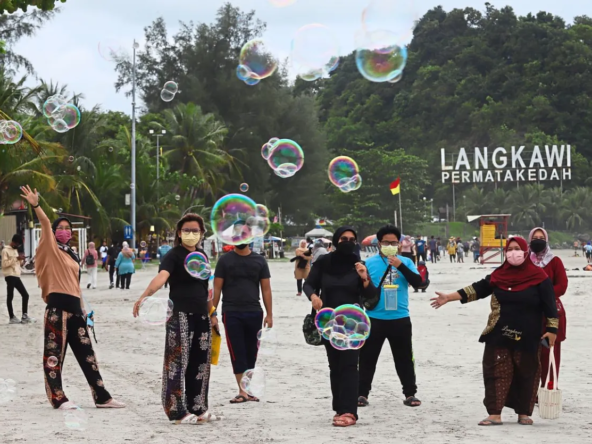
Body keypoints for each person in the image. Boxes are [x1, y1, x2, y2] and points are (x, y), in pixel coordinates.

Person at [430, 236, 558, 426]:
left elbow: (550, 306)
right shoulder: (498, 275)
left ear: (525, 252)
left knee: (527, 373)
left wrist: (552, 330)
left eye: (517, 248)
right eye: (510, 249)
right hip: (499, 333)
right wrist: (449, 297)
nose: (513, 252)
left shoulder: (540, 277)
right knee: (495, 373)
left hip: (529, 336)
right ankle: (494, 413)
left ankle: (524, 413)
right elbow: (476, 289)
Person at [19, 185, 125, 410]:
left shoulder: (73, 253)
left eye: (68, 228)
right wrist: (36, 204)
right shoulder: (50, 248)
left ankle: (102, 397)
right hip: (57, 310)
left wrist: (84, 309)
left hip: (76, 310)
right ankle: (58, 398)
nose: (65, 231)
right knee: (54, 357)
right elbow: (46, 224)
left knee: (88, 355)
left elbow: (74, 284)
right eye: (61, 228)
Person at [133, 214, 219, 424]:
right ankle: (177, 411)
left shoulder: (202, 256)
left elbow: (205, 288)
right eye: (187, 230)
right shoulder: (173, 255)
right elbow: (162, 276)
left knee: (200, 363)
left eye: (195, 231)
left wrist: (213, 314)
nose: (191, 234)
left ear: (201, 234)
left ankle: (198, 407)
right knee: (177, 363)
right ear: (179, 233)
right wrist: (145, 295)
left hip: (202, 315)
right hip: (179, 314)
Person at [304, 227, 377, 427]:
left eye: (352, 239)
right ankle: (339, 408)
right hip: (329, 322)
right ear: (336, 240)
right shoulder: (324, 262)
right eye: (343, 238)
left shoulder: (358, 265)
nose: (347, 241)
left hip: (354, 323)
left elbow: (372, 295)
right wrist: (313, 296)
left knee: (350, 366)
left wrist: (364, 277)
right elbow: (308, 284)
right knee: (335, 366)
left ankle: (349, 411)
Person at [357, 225, 423, 409]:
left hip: (400, 318)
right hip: (374, 318)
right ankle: (361, 393)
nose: (390, 245)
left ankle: (410, 393)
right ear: (379, 243)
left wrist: (400, 265)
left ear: (399, 244)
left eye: (394, 242)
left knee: (404, 358)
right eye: (386, 242)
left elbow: (419, 282)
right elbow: (362, 289)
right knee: (368, 357)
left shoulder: (406, 262)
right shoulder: (369, 263)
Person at [212, 239, 273, 404]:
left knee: (252, 351)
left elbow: (266, 288)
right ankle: (242, 391)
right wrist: (212, 312)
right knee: (237, 350)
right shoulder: (224, 260)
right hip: (231, 312)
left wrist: (269, 314)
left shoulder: (259, 260)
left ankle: (247, 389)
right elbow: (217, 287)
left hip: (254, 311)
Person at [528, 227, 568, 390]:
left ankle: (549, 387)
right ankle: (529, 392)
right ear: (529, 240)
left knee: (549, 352)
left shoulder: (555, 261)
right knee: (529, 354)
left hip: (551, 314)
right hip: (529, 315)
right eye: (535, 237)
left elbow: (562, 285)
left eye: (541, 237)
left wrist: (544, 297)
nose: (538, 240)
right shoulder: (525, 261)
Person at [2, 234, 33, 324]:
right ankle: (12, 317)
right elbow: (4, 264)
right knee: (10, 296)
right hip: (9, 276)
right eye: (18, 244)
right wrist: (16, 258)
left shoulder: (15, 250)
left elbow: (17, 263)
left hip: (16, 275)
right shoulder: (5, 250)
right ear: (14, 242)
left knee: (25, 295)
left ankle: (24, 315)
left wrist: (21, 261)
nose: (18, 246)